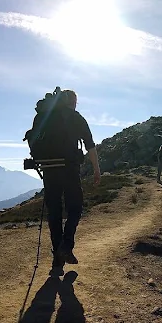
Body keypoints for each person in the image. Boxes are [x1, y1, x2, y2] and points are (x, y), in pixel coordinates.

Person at [37, 89, 101, 275]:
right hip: (69, 168)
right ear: (72, 101)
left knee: (54, 211)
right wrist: (96, 169)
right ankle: (66, 245)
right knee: (75, 207)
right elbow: (90, 144)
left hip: (48, 169)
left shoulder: (47, 117)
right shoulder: (76, 118)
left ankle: (57, 258)